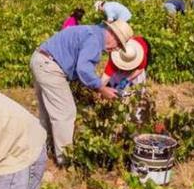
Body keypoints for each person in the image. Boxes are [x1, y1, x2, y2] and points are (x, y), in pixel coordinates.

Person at [30, 20, 134, 165]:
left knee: (47, 112)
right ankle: (65, 161)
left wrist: (93, 87)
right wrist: (101, 88)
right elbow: (83, 69)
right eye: (118, 44)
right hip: (50, 66)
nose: (116, 49)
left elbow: (79, 66)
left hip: (41, 59)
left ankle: (40, 151)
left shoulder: (91, 32)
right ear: (113, 35)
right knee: (66, 112)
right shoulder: (94, 40)